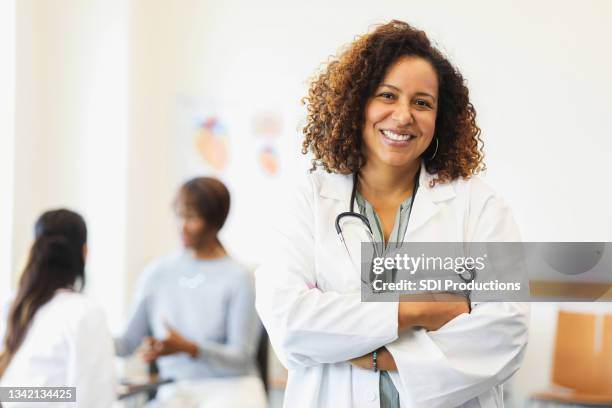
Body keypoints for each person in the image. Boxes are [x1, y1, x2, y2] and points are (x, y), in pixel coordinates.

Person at [255, 20, 529, 408]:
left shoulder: (479, 207)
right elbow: (288, 321)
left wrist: (373, 354)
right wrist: (416, 309)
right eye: (387, 95)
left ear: (441, 118)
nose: (403, 116)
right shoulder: (308, 203)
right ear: (357, 102)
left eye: (422, 102)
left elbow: (505, 333)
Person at [115, 177, 265, 407]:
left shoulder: (240, 278)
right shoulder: (157, 273)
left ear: (214, 221)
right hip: (176, 392)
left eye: (191, 217)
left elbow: (241, 358)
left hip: (230, 391)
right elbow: (126, 344)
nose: (181, 225)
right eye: (178, 214)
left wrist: (190, 349)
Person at [0, 209, 116, 408]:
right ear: (85, 252)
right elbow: (94, 400)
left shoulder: (16, 306)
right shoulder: (84, 313)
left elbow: (10, 392)